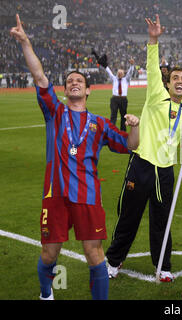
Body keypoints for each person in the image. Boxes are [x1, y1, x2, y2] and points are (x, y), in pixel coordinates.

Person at [9, 14, 140, 300]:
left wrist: (136, 126)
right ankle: (46, 294)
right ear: (66, 89)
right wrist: (26, 43)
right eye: (69, 81)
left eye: (79, 80)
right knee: (49, 253)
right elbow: (40, 77)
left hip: (88, 196)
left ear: (88, 89)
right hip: (55, 195)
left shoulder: (101, 124)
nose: (74, 83)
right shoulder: (54, 113)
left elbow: (129, 145)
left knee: (95, 254)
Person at [105, 14, 182, 282]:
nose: (179, 81)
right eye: (175, 77)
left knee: (162, 222)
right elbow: (153, 67)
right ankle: (113, 261)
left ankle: (163, 266)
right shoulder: (157, 94)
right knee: (128, 217)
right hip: (142, 164)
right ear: (167, 83)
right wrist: (153, 40)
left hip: (165, 171)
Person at [94, 51, 135, 132]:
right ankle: (112, 131)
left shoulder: (126, 80)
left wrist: (132, 65)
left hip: (123, 99)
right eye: (118, 72)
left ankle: (123, 131)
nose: (119, 74)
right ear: (117, 73)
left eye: (121, 73)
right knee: (113, 116)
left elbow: (130, 72)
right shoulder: (114, 78)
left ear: (123, 74)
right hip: (114, 99)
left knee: (124, 116)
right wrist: (104, 65)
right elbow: (108, 70)